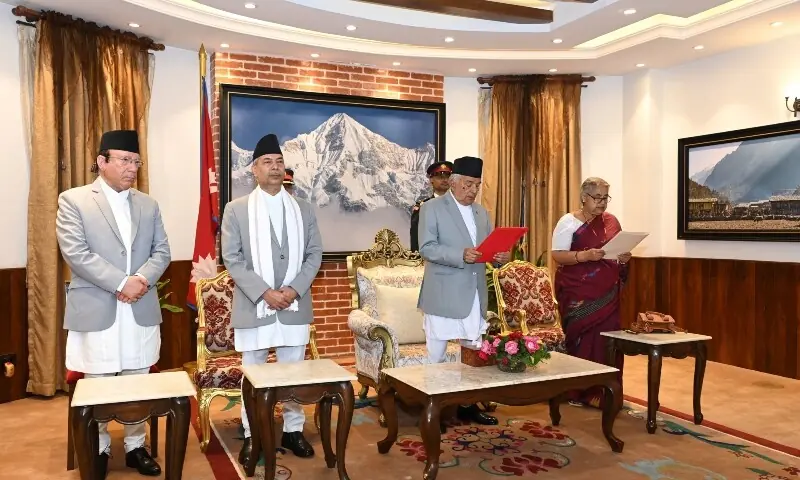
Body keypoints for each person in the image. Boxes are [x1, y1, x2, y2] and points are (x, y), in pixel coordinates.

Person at [56, 129, 171, 477]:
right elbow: (76, 254)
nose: (132, 168)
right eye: (124, 160)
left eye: (136, 161)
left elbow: (162, 251)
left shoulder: (148, 204)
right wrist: (122, 282)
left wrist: (141, 281)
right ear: (102, 161)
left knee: (139, 378)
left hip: (139, 307)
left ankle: (136, 447)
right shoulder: (73, 200)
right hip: (97, 306)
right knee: (100, 381)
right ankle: (101, 447)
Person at [221, 133, 323, 465]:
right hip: (255, 305)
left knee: (293, 373)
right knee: (254, 374)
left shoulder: (303, 209)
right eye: (268, 162)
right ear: (254, 170)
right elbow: (232, 259)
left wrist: (292, 290)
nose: (275, 168)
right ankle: (254, 434)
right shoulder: (236, 210)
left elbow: (314, 255)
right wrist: (265, 292)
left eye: (279, 162)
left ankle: (293, 431)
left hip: (294, 305)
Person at [417, 156, 510, 427]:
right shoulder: (431, 208)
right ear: (454, 182)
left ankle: (468, 405)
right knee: (437, 353)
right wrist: (461, 254)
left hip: (474, 292)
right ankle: (434, 409)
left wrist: (499, 256)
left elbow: (489, 250)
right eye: (468, 184)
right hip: (444, 291)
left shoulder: (482, 213)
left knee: (473, 353)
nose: (472, 191)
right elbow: (427, 248)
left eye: (477, 186)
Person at [550, 177, 631, 408]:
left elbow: (617, 252)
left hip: (608, 294)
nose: (603, 203)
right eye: (597, 198)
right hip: (578, 292)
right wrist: (583, 256)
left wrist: (624, 258)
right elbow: (557, 255)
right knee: (582, 341)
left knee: (608, 342)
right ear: (584, 197)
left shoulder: (611, 222)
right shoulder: (568, 222)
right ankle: (578, 392)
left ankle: (606, 393)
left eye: (606, 198)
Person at [410, 161, 453, 251]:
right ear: (431, 179)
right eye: (440, 176)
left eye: (447, 176)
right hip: (431, 259)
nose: (445, 180)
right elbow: (415, 237)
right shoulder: (423, 207)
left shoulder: (459, 205)